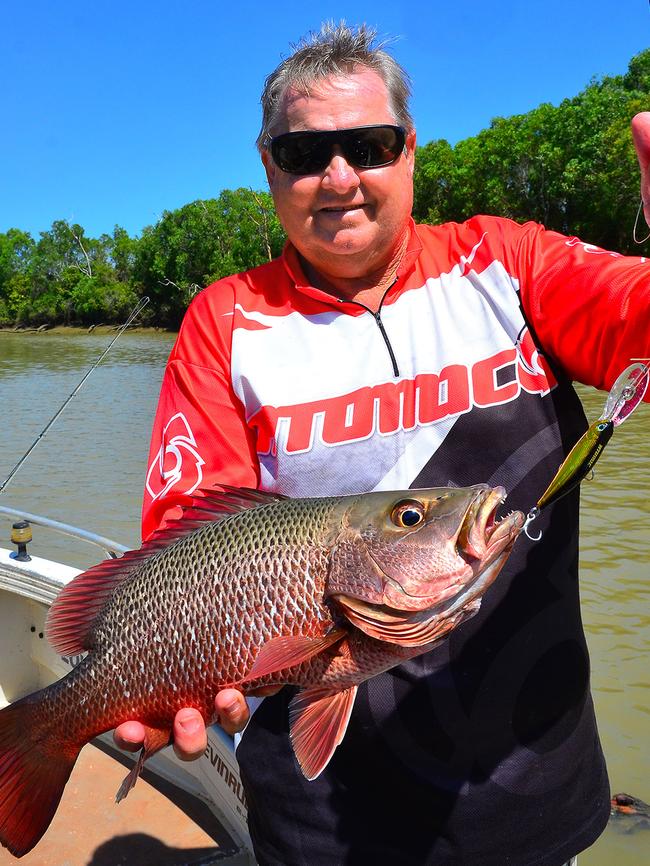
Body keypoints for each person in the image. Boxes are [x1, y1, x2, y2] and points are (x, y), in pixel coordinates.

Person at [116, 23, 650, 866]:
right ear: (268, 168)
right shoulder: (223, 324)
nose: (338, 178)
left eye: (367, 145)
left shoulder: (507, 262)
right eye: (303, 153)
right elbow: (190, 537)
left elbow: (635, 314)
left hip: (534, 779)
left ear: (410, 154)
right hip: (323, 810)